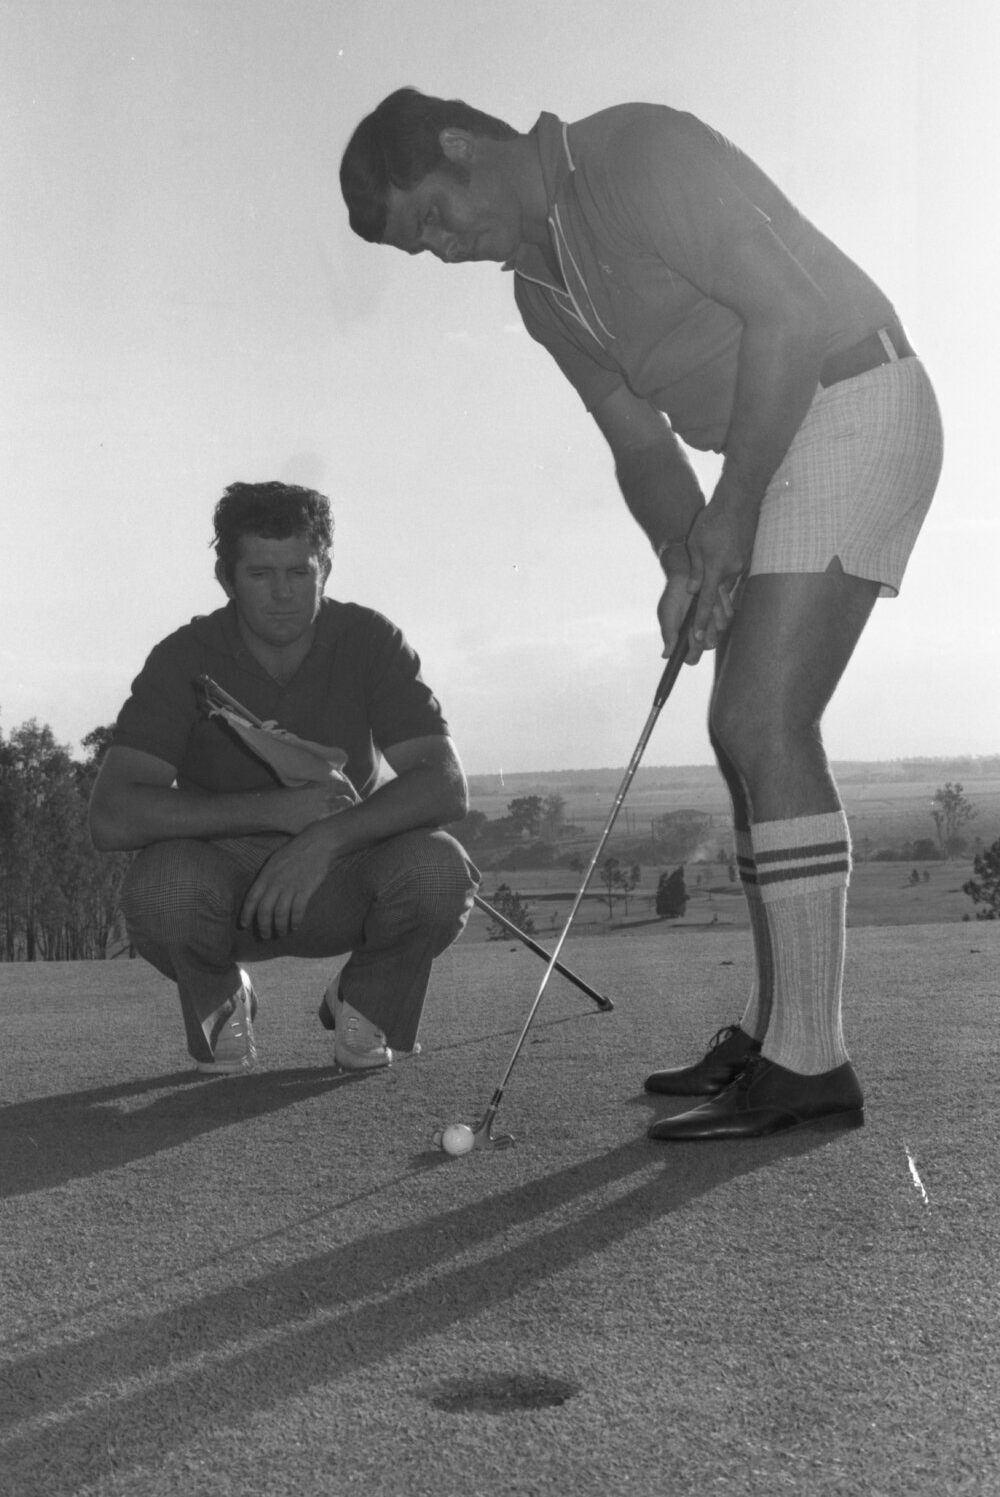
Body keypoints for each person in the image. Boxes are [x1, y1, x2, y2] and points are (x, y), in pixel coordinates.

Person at [340, 90, 944, 1139]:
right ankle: (779, 1028)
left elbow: (792, 314)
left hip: (854, 395)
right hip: (779, 443)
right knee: (738, 730)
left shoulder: (634, 151)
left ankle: (811, 1062)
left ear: (457, 144)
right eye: (418, 250)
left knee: (760, 719)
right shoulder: (537, 292)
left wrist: (733, 514)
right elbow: (640, 444)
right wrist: (685, 558)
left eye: (431, 218)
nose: (439, 251)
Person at [89, 481, 479, 1075]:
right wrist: (276, 810)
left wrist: (324, 839)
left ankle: (365, 1000)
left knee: (438, 869)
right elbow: (112, 816)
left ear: (326, 569)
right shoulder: (181, 655)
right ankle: (223, 1001)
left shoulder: (370, 639)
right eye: (259, 574)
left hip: (348, 866)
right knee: (161, 889)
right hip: (224, 885)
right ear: (226, 577)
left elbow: (445, 783)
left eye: (299, 572)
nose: (282, 595)